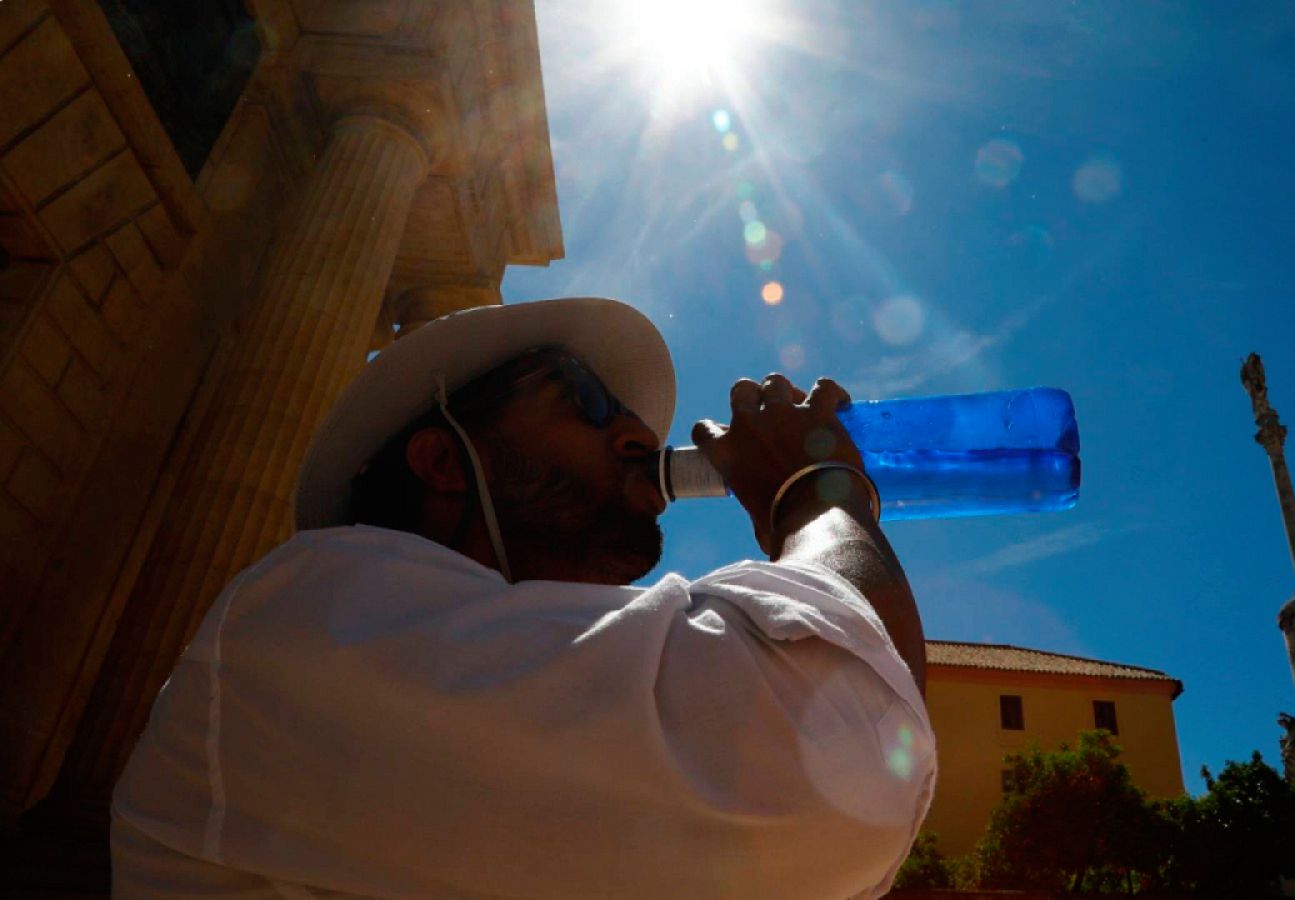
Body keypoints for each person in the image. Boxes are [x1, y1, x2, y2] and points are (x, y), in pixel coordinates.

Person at [110, 298, 936, 898]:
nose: (641, 436)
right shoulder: (307, 613)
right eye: (584, 396)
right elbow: (835, 754)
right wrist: (819, 492)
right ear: (442, 462)